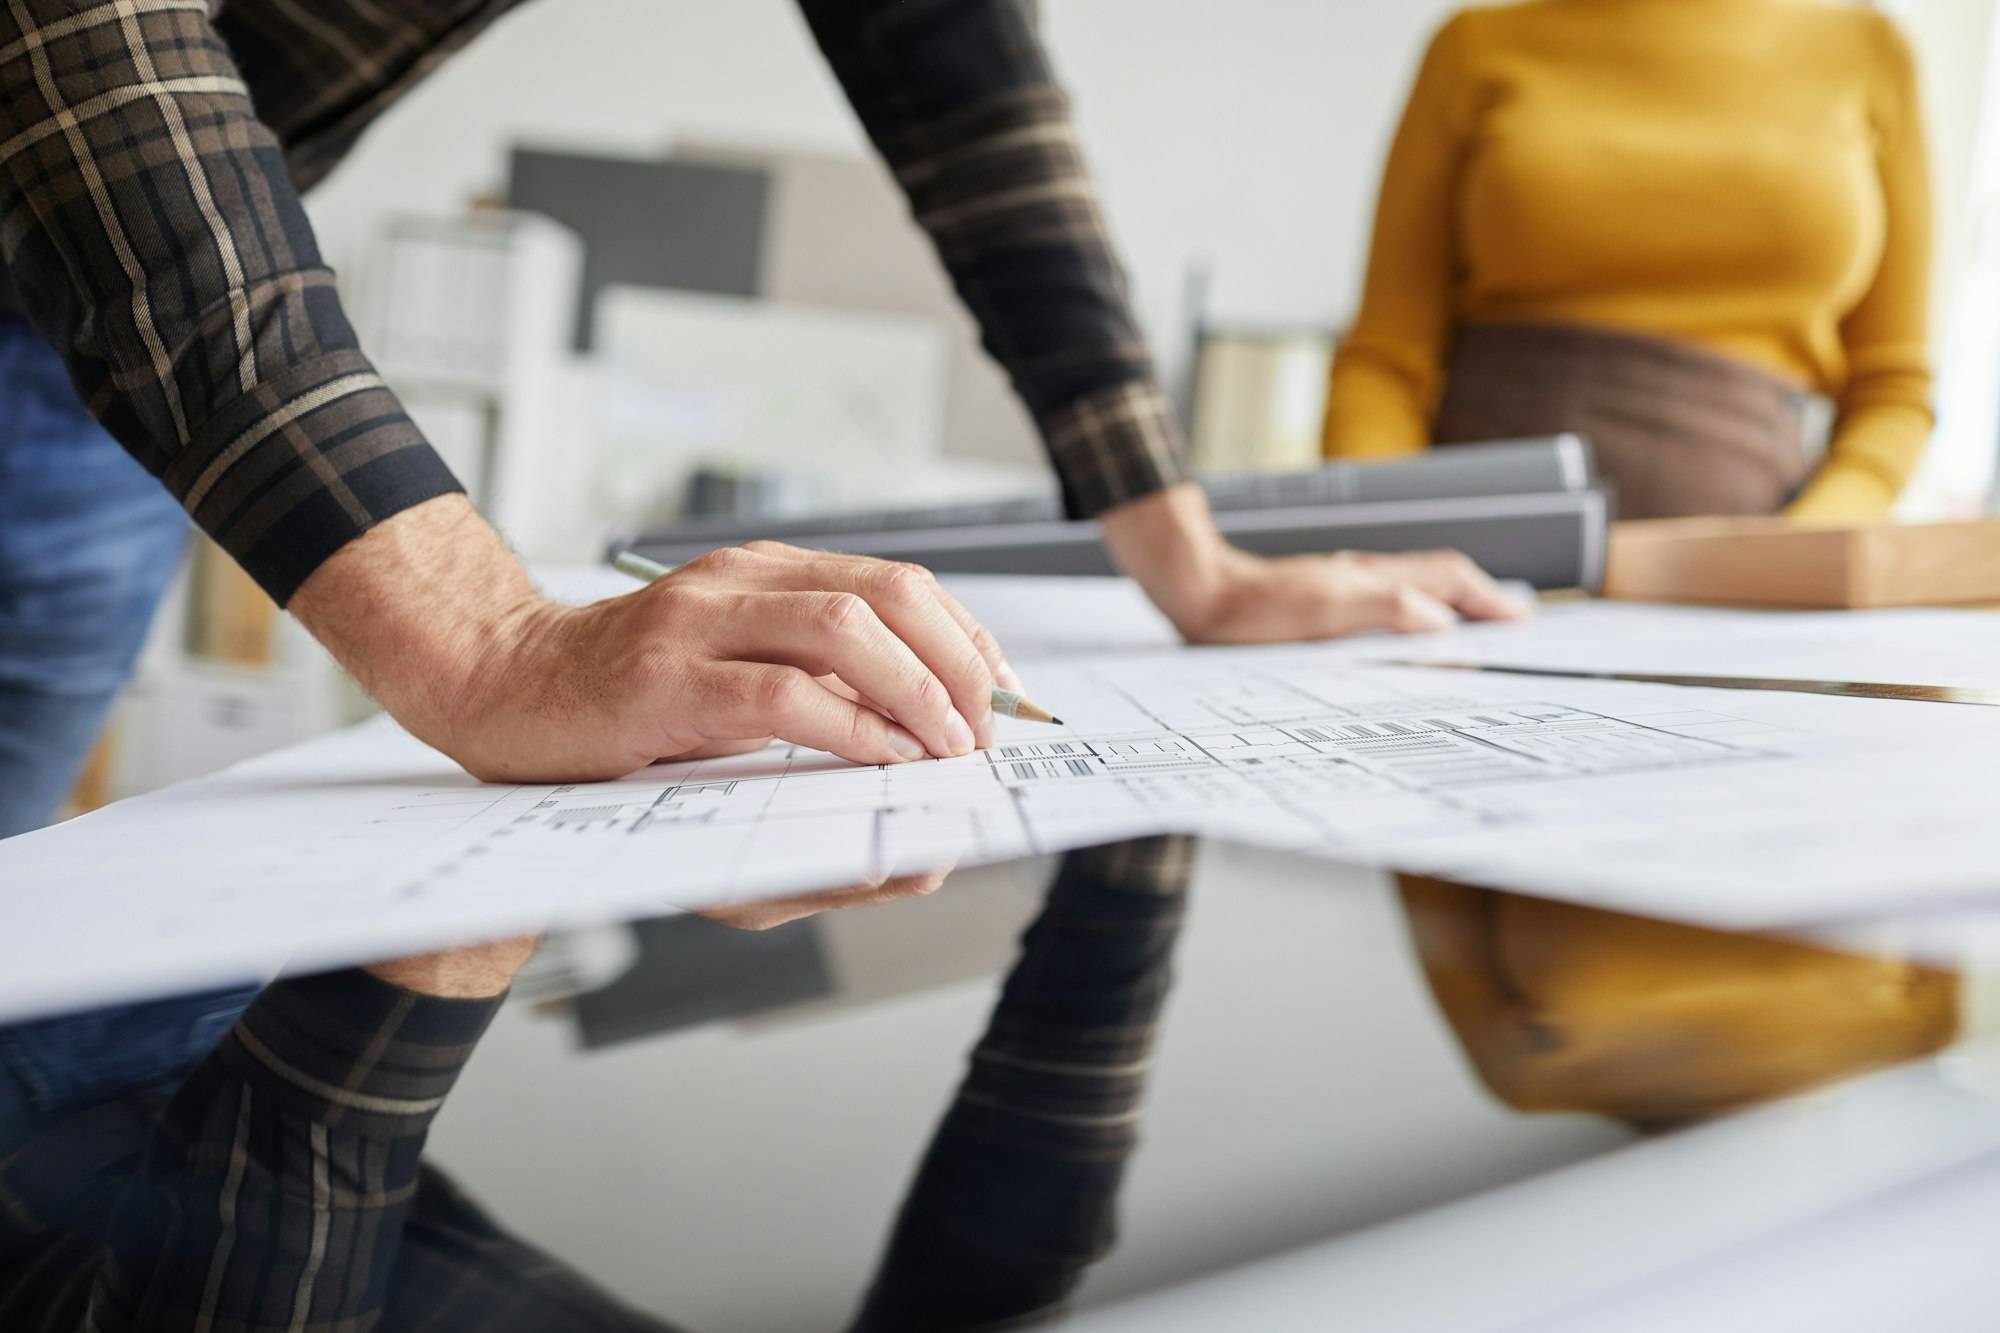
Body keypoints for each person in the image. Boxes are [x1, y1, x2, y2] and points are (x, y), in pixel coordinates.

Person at [0, 0, 1524, 1323]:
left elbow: (960, 79)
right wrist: (486, 641)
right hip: (100, 229)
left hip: (77, 338)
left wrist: (1178, 549)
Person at [1321, 0, 1933, 521]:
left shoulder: (1868, 52)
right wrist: (1382, 537)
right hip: (1472, 558)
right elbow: (1385, 359)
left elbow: (1892, 388)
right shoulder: (1476, 45)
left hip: (1751, 575)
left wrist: (1813, 541)